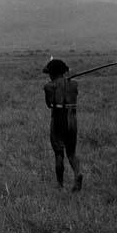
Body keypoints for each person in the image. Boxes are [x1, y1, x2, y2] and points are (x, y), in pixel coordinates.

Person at [43, 59, 83, 191]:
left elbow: (49, 105)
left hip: (58, 120)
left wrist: (55, 86)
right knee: (71, 153)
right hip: (72, 119)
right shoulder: (74, 85)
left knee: (59, 154)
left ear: (53, 73)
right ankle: (78, 173)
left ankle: (60, 186)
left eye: (49, 73)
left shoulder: (49, 86)